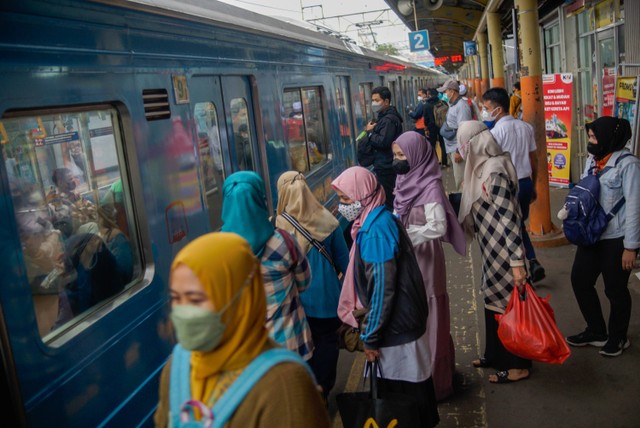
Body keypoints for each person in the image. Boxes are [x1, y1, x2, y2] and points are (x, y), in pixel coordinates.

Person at [154, 232, 330, 427]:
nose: (183, 312)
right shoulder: (178, 367)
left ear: (240, 300)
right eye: (176, 299)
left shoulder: (284, 385)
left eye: (196, 299)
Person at [331, 166, 439, 427]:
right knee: (413, 398)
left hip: (396, 329)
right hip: (404, 323)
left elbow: (381, 291)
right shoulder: (380, 218)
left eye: (346, 199)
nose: (341, 206)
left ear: (364, 195)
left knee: (403, 403)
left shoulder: (375, 231)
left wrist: (370, 337)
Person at [392, 131, 467, 401]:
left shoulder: (431, 186)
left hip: (426, 258)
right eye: (395, 155)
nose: (397, 160)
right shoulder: (404, 180)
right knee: (414, 313)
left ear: (416, 156)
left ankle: (435, 382)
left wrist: (406, 237)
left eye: (402, 155)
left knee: (430, 314)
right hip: (409, 259)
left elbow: (438, 226)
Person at [456, 120, 531, 384]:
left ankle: (518, 364)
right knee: (491, 300)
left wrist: (517, 262)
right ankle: (494, 355)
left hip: (505, 253)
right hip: (491, 251)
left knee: (509, 308)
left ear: (476, 144)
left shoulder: (493, 172)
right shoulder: (479, 170)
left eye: (464, 145)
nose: (461, 151)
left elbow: (510, 220)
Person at [565, 117, 640, 357]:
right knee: (580, 280)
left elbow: (635, 207)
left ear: (610, 138)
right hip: (591, 235)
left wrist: (631, 246)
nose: (590, 141)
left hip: (616, 239)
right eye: (590, 137)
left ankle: (618, 337)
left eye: (594, 137)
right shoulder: (593, 160)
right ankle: (596, 331)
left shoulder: (628, 165)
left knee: (615, 289)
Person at [221, 171, 314, 361]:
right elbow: (304, 283)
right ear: (260, 200)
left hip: (248, 353)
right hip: (290, 345)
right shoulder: (283, 242)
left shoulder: (219, 251)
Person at [275, 171, 350, 399]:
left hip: (297, 305)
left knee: (302, 351)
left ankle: (307, 395)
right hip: (329, 302)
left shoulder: (278, 230)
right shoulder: (329, 221)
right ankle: (323, 390)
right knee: (327, 344)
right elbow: (346, 265)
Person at [482, 87, 546, 282]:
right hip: (525, 183)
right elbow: (533, 160)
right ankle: (531, 261)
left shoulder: (495, 133)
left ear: (498, 109)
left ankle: (522, 270)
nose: (484, 111)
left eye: (486, 107)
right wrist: (534, 185)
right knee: (518, 225)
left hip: (506, 187)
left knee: (511, 228)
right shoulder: (525, 127)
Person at [356, 86, 403, 210]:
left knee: (389, 200)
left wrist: (370, 133)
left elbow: (383, 142)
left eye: (377, 100)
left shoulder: (389, 120)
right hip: (384, 164)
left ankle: (395, 225)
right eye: (372, 100)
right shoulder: (384, 117)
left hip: (387, 166)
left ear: (386, 101)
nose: (373, 103)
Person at [438, 79, 472, 191]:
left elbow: (465, 130)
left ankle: (464, 205)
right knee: (459, 179)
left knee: (461, 181)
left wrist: (459, 151)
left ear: (452, 91)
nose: (444, 94)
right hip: (452, 147)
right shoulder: (453, 104)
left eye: (445, 91)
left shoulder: (461, 106)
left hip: (457, 149)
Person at [423, 88, 444, 160]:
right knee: (442, 143)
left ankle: (436, 161)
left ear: (429, 95)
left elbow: (425, 118)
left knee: (432, 145)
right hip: (441, 126)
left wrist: (426, 128)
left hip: (431, 127)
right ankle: (444, 162)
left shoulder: (426, 105)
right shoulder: (442, 103)